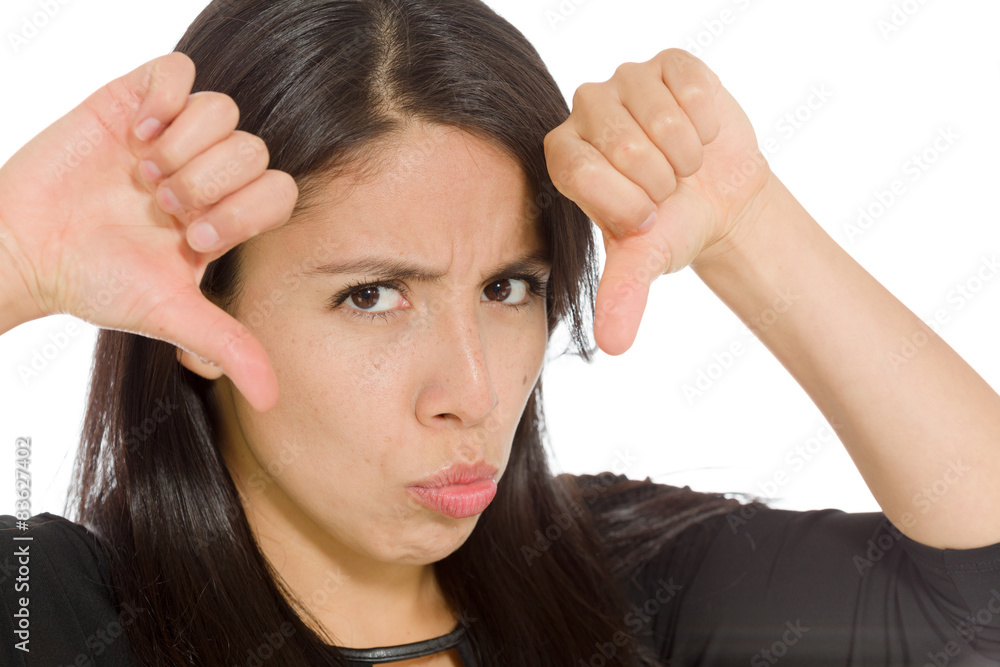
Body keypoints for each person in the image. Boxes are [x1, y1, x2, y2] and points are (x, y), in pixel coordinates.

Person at [1, 0, 999, 665]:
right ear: (199, 309)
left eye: (508, 286)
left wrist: (748, 225)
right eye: (372, 296)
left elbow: (975, 607)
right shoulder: (55, 611)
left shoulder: (621, 580)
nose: (472, 392)